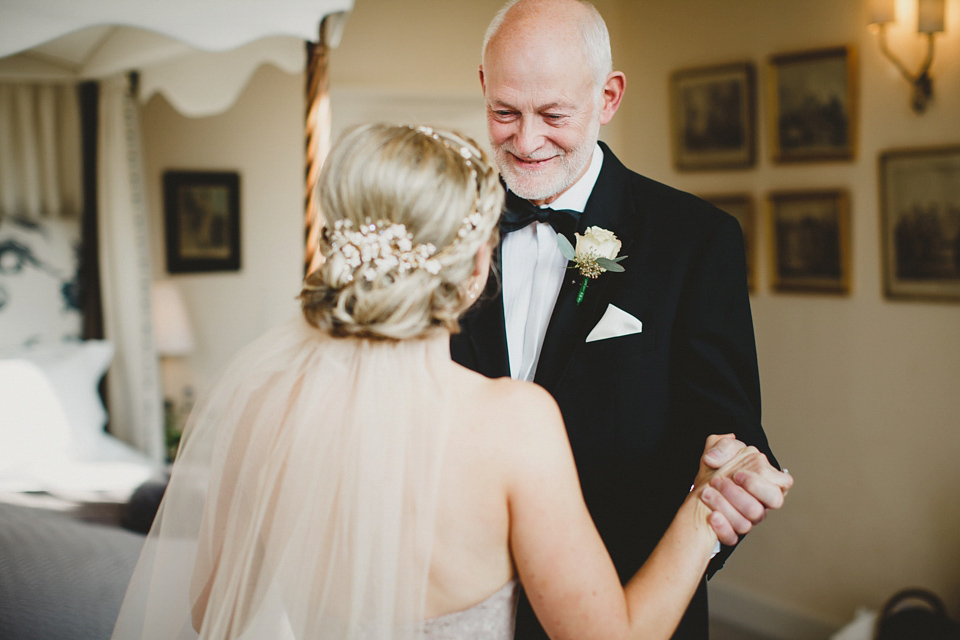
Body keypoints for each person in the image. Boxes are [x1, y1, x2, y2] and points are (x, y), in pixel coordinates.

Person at [111, 124, 789, 640]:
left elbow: (211, 612)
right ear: (472, 274)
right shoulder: (512, 423)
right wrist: (704, 511)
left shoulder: (259, 405)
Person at [449, 1, 781, 638]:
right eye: (504, 112)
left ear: (608, 97)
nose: (525, 141)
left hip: (625, 604)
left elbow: (733, 442)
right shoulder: (446, 232)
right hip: (464, 602)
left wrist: (730, 489)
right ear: (484, 86)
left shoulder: (694, 240)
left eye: (553, 115)